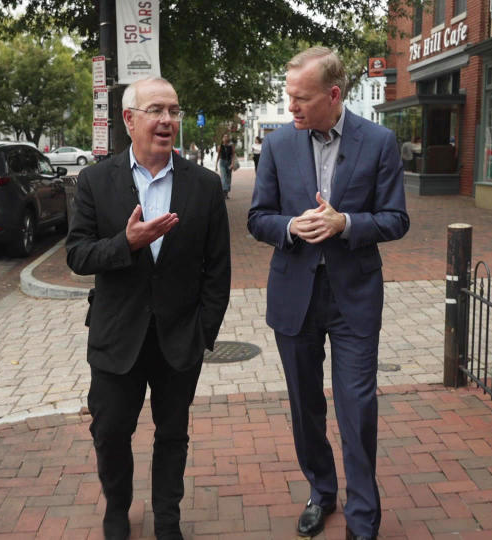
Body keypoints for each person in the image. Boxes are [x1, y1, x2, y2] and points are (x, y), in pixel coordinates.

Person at [247, 46, 409, 540]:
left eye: (301, 98)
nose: (290, 106)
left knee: (357, 407)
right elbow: (258, 217)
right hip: (294, 295)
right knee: (304, 406)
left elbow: (396, 219)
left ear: (333, 95)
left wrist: (347, 223)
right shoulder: (276, 147)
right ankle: (322, 491)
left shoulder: (379, 141)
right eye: (288, 96)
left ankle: (363, 518)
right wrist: (292, 226)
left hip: (353, 296)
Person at [66, 77, 231, 540]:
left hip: (180, 339)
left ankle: (168, 519)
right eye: (156, 109)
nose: (167, 120)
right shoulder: (97, 181)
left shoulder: (203, 185)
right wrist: (127, 244)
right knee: (111, 432)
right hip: (117, 337)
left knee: (172, 435)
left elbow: (218, 271)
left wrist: (203, 333)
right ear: (129, 119)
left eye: (174, 111)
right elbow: (77, 255)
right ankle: (117, 509)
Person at [215, 133, 234, 198]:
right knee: (223, 177)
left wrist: (232, 163)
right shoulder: (220, 146)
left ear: (228, 138)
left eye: (226, 137)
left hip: (229, 162)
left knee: (228, 178)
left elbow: (233, 155)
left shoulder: (231, 146)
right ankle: (224, 191)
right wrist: (216, 165)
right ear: (222, 139)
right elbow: (218, 155)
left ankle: (226, 193)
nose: (225, 138)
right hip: (222, 162)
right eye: (224, 137)